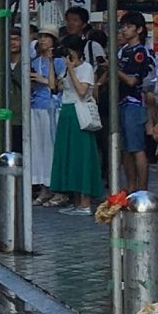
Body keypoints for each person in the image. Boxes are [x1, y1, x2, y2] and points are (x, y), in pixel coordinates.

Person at [51, 34, 103, 215]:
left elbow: (82, 91)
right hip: (66, 111)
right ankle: (76, 199)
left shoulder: (86, 68)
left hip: (79, 113)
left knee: (81, 157)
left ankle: (85, 202)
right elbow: (54, 87)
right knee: (69, 157)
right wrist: (53, 63)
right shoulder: (64, 69)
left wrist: (72, 70)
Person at [113, 11, 153, 193]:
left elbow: (132, 81)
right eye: (123, 26)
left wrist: (114, 68)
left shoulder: (140, 52)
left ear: (139, 29)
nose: (124, 30)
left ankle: (142, 190)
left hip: (135, 102)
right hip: (120, 102)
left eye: (129, 26)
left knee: (136, 147)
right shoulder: (122, 51)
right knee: (126, 150)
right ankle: (130, 188)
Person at [30, 29, 63, 204]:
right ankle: (43, 187)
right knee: (38, 148)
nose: (42, 40)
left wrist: (42, 79)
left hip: (52, 106)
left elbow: (59, 84)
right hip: (35, 105)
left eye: (46, 37)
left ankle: (56, 186)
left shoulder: (59, 61)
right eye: (40, 37)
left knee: (51, 147)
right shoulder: (35, 61)